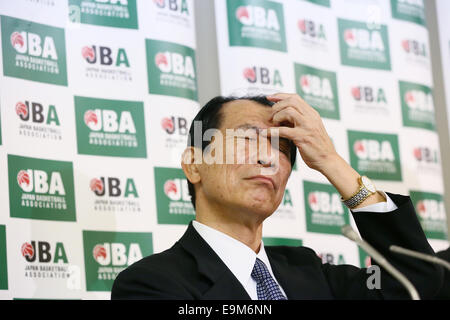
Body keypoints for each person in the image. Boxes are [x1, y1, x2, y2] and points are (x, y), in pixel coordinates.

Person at [111, 93, 443, 300]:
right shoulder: (151, 284)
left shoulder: (310, 270)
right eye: (248, 139)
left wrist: (330, 160)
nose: (268, 158)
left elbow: (416, 281)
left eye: (282, 148)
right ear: (194, 165)